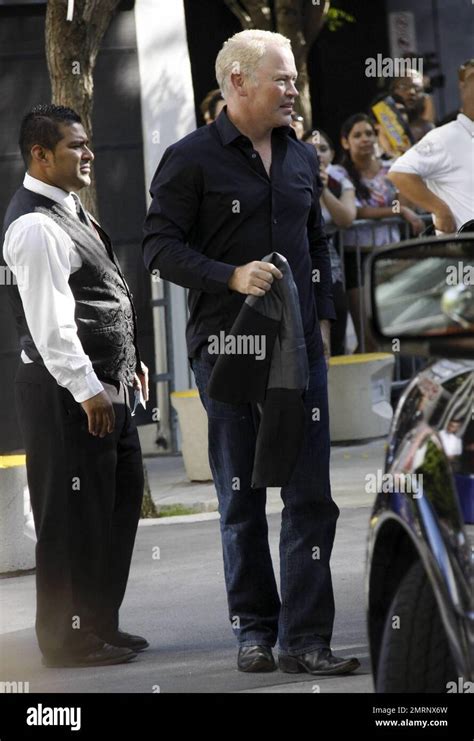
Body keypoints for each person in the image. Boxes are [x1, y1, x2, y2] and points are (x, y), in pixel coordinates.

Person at [143, 29, 360, 676]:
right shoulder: (190, 159)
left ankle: (306, 638)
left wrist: (323, 317)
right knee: (242, 497)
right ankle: (255, 629)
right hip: (228, 350)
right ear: (238, 81)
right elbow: (158, 248)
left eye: (293, 79)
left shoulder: (301, 159)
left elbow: (318, 242)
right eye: (283, 78)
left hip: (300, 353)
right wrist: (229, 275)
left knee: (310, 496)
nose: (293, 89)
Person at [2, 105, 149, 668]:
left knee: (112, 509)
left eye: (87, 145)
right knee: (69, 519)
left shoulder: (69, 210)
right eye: (75, 147)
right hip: (66, 392)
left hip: (103, 384)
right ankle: (65, 641)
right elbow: (52, 325)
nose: (89, 155)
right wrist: (89, 390)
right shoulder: (36, 225)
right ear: (40, 154)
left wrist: (125, 366)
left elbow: (99, 296)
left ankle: (98, 625)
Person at [333, 113, 424, 350]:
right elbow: (357, 213)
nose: (365, 139)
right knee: (368, 336)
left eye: (369, 134)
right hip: (357, 256)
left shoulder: (391, 168)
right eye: (357, 135)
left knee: (393, 328)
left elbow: (407, 203)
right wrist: (398, 212)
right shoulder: (338, 173)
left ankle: (394, 384)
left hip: (390, 256)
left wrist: (406, 167)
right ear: (345, 142)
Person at [388, 60, 474, 234]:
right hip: (463, 255)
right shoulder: (445, 137)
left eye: (417, 89)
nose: (411, 93)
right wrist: (440, 210)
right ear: (462, 87)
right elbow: (399, 173)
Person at [303, 128, 356, 354]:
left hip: (330, 270)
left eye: (323, 149)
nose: (318, 155)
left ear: (332, 154)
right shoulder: (289, 179)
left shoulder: (338, 181)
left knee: (335, 338)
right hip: (298, 268)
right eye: (311, 149)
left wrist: (322, 189)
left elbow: (346, 218)